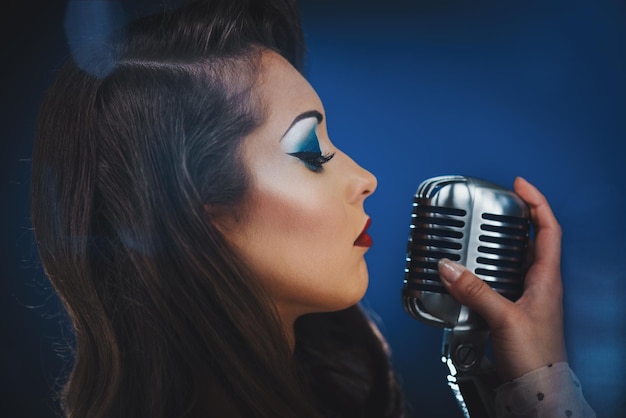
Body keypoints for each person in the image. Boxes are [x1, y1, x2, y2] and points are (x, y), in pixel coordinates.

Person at [30, 0, 595, 417]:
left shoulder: (347, 386)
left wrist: (525, 381)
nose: (365, 179)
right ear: (195, 212)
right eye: (310, 151)